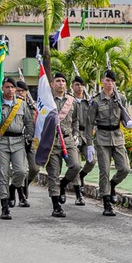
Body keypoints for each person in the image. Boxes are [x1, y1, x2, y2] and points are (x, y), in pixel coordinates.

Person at [88, 70, 132, 216]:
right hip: (102, 138)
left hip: (117, 136)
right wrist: (89, 144)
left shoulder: (121, 99)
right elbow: (89, 123)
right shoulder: (95, 101)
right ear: (102, 81)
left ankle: (112, 185)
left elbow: (125, 117)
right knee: (104, 171)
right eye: (107, 80)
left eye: (112, 81)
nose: (110, 83)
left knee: (125, 168)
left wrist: (129, 122)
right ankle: (106, 203)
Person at [45, 72, 81, 218]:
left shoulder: (71, 102)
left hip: (67, 139)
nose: (61, 83)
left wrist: (76, 134)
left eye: (63, 81)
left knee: (76, 166)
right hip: (51, 140)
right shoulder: (46, 101)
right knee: (53, 173)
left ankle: (63, 184)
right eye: (57, 81)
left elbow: (76, 120)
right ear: (52, 84)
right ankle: (56, 206)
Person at [0, 77, 29, 220]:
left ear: (15, 89)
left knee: (21, 171)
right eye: (7, 87)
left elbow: (29, 122)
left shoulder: (21, 104)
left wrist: (30, 137)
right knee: (2, 173)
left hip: (18, 141)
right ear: (3, 88)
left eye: (12, 87)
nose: (10, 90)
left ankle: (13, 188)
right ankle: (4, 206)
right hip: (2, 141)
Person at [68, 75, 96, 206]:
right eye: (77, 85)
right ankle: (79, 195)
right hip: (73, 135)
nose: (79, 87)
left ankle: (82, 176)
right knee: (76, 164)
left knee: (91, 161)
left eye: (81, 85)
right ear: (72, 86)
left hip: (86, 134)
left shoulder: (88, 101)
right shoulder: (69, 101)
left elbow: (94, 118)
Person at [15, 80, 38, 207]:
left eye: (22, 91)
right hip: (17, 141)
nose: (19, 93)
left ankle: (23, 186)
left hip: (31, 141)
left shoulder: (32, 106)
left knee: (35, 168)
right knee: (21, 170)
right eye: (17, 91)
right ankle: (22, 196)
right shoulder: (12, 106)